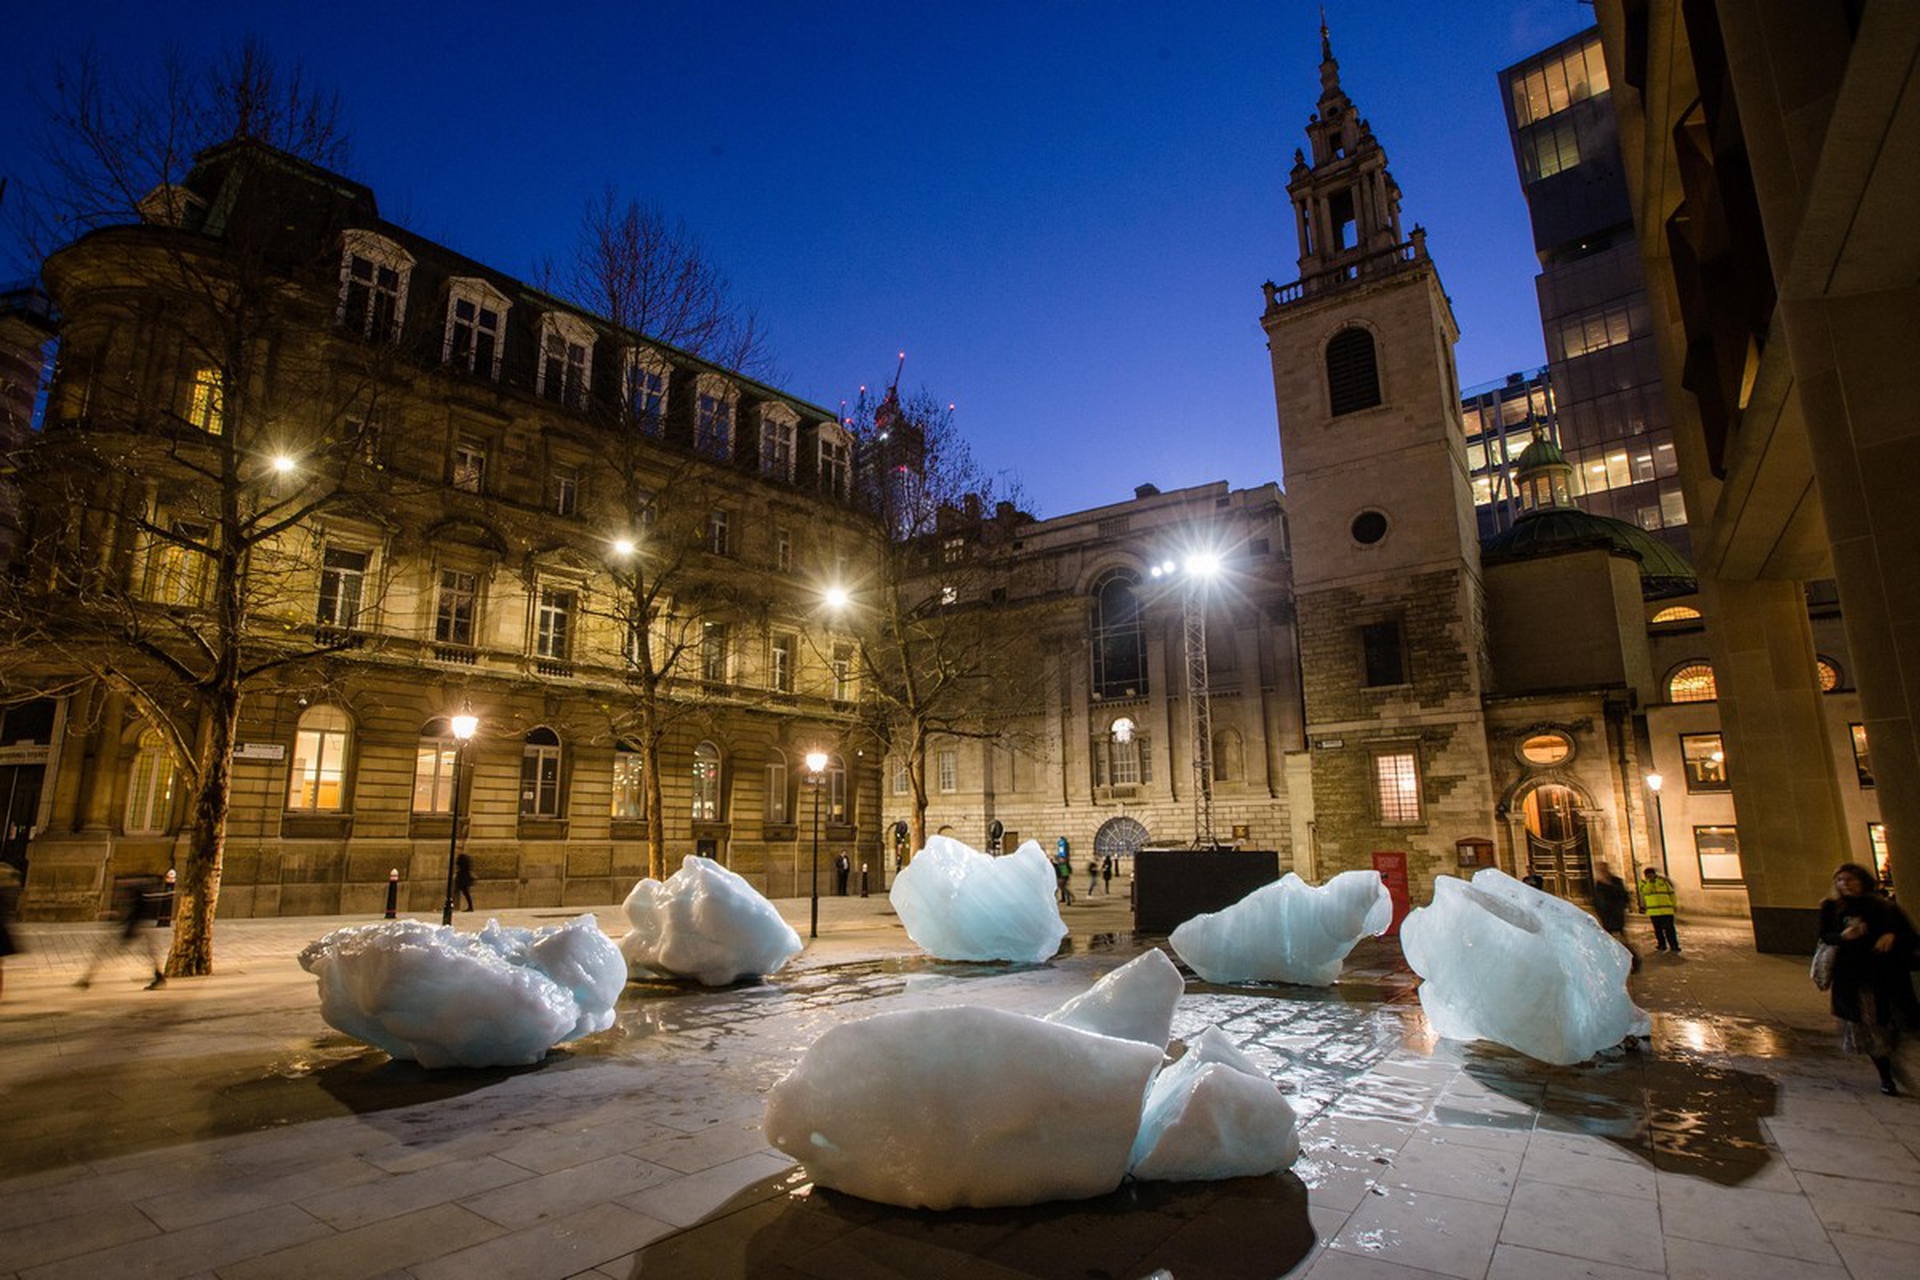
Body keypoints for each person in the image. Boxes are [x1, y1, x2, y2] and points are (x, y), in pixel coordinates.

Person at [1819, 862, 1920, 1095]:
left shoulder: (1884, 907)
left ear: (1863, 881)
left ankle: (1891, 1054)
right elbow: (1825, 936)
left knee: (1895, 1022)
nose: (1845, 885)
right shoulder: (1832, 908)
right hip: (1855, 978)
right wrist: (1843, 936)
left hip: (1888, 975)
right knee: (1871, 1027)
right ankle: (1886, 1075)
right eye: (1840, 880)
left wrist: (1891, 936)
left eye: (1850, 879)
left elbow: (1912, 937)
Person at [78, 872, 168, 990]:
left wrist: (125, 927)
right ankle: (159, 976)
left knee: (105, 951)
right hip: (138, 926)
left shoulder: (135, 892)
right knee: (149, 952)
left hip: (134, 926)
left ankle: (87, 978)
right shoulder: (140, 891)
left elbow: (135, 912)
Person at [1590, 862, 1638, 972]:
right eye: (1599, 870)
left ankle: (1633, 962)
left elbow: (1624, 896)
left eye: (1603, 869)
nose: (1601, 872)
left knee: (1623, 941)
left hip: (1617, 915)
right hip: (1606, 917)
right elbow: (1597, 901)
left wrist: (1609, 884)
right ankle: (1613, 964)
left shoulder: (1615, 882)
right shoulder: (1599, 884)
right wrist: (1600, 913)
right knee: (1608, 941)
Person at [1639, 866, 1679, 952]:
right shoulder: (1643, 883)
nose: (1650, 876)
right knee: (1658, 930)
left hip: (1667, 910)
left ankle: (1674, 946)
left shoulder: (1663, 881)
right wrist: (1650, 883)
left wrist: (1674, 905)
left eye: (1651, 874)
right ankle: (1661, 945)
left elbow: (1671, 893)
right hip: (1654, 911)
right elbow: (1646, 891)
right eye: (1648, 875)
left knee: (1670, 929)